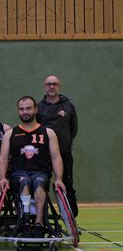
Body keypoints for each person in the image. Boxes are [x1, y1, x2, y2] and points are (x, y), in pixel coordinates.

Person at [0, 96, 66, 238]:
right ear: (18, 111)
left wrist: (59, 179)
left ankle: (39, 223)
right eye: (22, 109)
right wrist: (2, 178)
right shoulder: (10, 134)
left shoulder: (48, 133)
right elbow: (3, 159)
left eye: (28, 108)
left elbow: (56, 157)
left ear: (36, 109)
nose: (25, 112)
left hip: (41, 172)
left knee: (39, 182)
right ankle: (26, 222)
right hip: (18, 173)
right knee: (25, 181)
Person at [37, 75, 79, 217]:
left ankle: (71, 219)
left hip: (64, 153)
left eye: (54, 84)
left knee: (66, 184)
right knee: (41, 184)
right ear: (44, 86)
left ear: (59, 85)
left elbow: (73, 129)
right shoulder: (39, 107)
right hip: (43, 155)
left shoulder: (68, 105)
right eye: (49, 84)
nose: (52, 86)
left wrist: (64, 143)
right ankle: (41, 218)